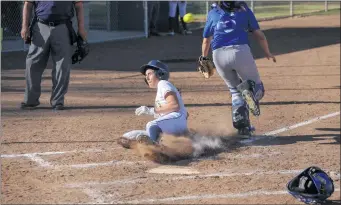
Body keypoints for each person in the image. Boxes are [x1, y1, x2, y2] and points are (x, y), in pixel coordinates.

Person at [201, 1, 276, 135]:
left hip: (218, 55)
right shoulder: (244, 10)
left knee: (235, 92)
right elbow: (259, 35)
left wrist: (204, 58)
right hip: (240, 52)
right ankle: (251, 93)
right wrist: (267, 52)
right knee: (257, 88)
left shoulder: (212, 13)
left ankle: (243, 127)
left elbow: (206, 40)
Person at [20, 1, 87, 110]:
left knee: (62, 66)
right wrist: (24, 26)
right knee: (32, 63)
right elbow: (28, 4)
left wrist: (81, 28)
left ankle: (58, 101)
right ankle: (30, 100)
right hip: (40, 26)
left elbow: (78, 6)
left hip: (62, 26)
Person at [119, 60, 188, 147]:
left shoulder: (163, 83)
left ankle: (155, 147)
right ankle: (160, 142)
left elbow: (174, 105)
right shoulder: (161, 88)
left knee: (151, 125)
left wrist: (151, 110)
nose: (147, 78)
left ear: (160, 74)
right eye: (146, 75)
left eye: (149, 74)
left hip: (175, 120)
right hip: (170, 124)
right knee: (126, 137)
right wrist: (151, 111)